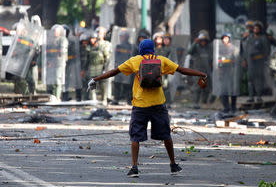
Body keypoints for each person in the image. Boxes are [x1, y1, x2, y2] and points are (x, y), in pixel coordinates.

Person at [87, 39, 207, 177]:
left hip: (140, 105)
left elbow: (115, 71)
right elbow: (181, 70)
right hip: (158, 104)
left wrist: (96, 79)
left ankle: (134, 167)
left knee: (135, 137)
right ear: (153, 49)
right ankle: (173, 165)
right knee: (166, 135)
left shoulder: (135, 61)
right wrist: (200, 74)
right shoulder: (161, 60)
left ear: (141, 49)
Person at [212, 32, 240, 113]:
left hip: (232, 71)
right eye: (224, 38)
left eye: (227, 38)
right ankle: (226, 107)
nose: (225, 40)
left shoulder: (234, 48)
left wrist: (227, 60)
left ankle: (233, 107)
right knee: (223, 90)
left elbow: (236, 59)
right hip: (222, 72)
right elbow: (217, 59)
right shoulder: (219, 48)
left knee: (233, 89)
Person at [187, 29, 213, 109]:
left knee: (206, 88)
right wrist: (195, 42)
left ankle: (204, 102)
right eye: (201, 40)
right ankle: (195, 103)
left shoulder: (210, 47)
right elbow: (189, 51)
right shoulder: (196, 47)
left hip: (207, 71)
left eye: (204, 40)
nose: (203, 42)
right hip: (197, 71)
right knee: (197, 87)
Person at [244, 22, 269, 102]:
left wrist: (262, 58)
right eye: (254, 28)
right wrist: (245, 60)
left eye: (257, 28)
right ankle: (251, 97)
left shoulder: (263, 38)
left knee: (259, 79)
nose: (256, 30)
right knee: (250, 79)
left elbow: (266, 51)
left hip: (259, 62)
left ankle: (259, 96)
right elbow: (246, 49)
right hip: (250, 62)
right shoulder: (250, 38)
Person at [44, 25, 68, 99]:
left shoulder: (63, 40)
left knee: (57, 79)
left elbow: (62, 52)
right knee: (51, 81)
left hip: (59, 63)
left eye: (56, 31)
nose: (55, 33)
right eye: (54, 31)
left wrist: (57, 55)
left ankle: (57, 97)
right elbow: (48, 51)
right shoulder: (51, 40)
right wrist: (49, 61)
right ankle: (51, 96)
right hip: (51, 63)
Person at [86, 31, 110, 104]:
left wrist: (105, 68)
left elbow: (107, 58)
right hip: (92, 67)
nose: (91, 40)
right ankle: (93, 99)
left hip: (101, 67)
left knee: (103, 84)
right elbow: (86, 59)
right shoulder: (88, 48)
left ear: (96, 39)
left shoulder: (102, 47)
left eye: (93, 39)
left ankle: (104, 99)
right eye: (91, 39)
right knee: (92, 84)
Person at [112, 30, 133, 105]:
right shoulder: (118, 46)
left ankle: (129, 100)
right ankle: (116, 99)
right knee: (117, 84)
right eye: (120, 36)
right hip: (119, 68)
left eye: (123, 36)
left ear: (127, 37)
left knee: (127, 85)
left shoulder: (131, 47)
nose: (121, 38)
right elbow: (116, 57)